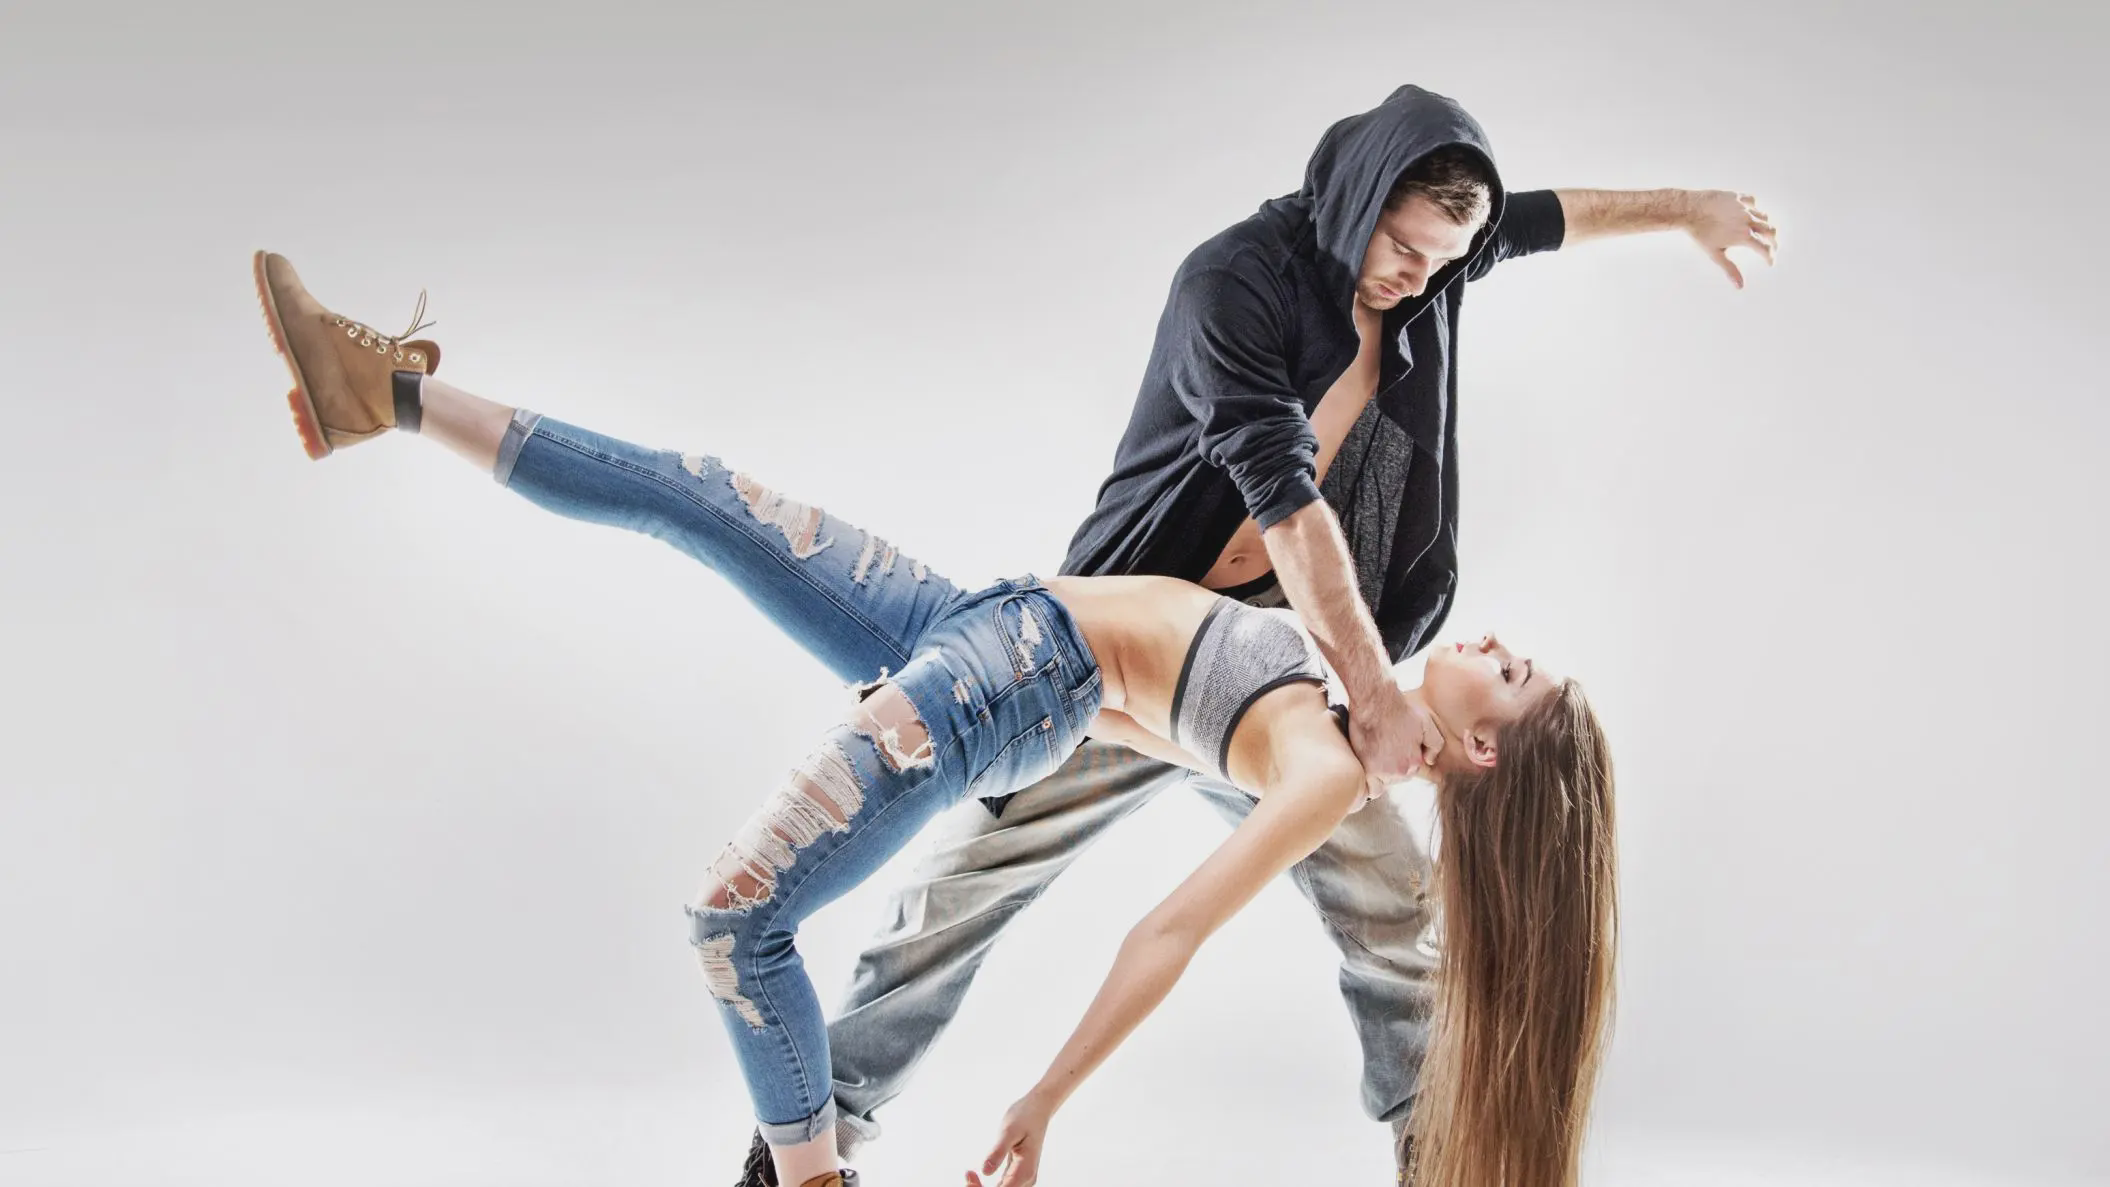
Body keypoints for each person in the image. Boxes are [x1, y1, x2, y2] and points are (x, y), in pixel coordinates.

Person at [249, 248, 1619, 1187]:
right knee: (702, 492)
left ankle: (805, 1172)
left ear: (1480, 748)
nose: (1497, 643)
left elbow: (1166, 933)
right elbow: (1139, 717)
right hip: (976, 623)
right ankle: (388, 395)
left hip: (998, 676)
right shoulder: (1334, 692)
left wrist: (1043, 1098)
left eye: (1513, 674)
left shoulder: (1324, 775)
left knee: (733, 916)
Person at [817, 84, 1773, 1182]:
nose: (1418, 277)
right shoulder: (1234, 282)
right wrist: (1376, 694)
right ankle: (814, 1135)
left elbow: (1555, 216)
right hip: (1137, 643)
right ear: (1357, 194)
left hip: (1285, 662)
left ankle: (1439, 1158)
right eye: (1401, 247)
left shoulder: (1436, 263)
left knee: (1392, 909)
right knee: (962, 883)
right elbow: (1285, 499)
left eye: (1443, 260)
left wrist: (1691, 208)